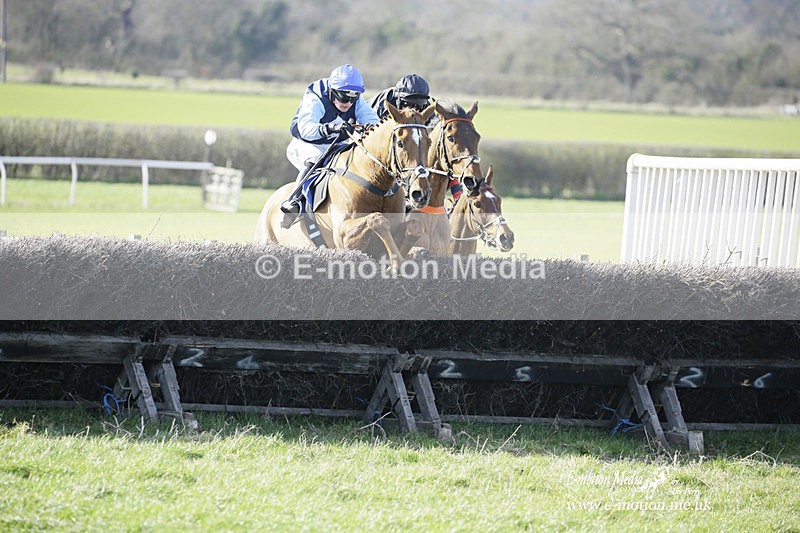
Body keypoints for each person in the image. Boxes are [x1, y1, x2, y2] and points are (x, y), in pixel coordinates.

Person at [280, 64, 380, 227]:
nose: (348, 103)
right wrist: (330, 128)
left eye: (353, 98)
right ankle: (294, 202)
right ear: (332, 90)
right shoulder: (316, 96)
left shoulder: (354, 98)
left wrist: (371, 128)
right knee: (315, 159)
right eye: (343, 97)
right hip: (305, 144)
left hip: (335, 145)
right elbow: (306, 129)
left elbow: (373, 120)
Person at [371, 73, 462, 202]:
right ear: (399, 100)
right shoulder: (383, 105)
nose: (414, 110)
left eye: (419, 106)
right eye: (409, 104)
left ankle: (458, 194)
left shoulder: (428, 112)